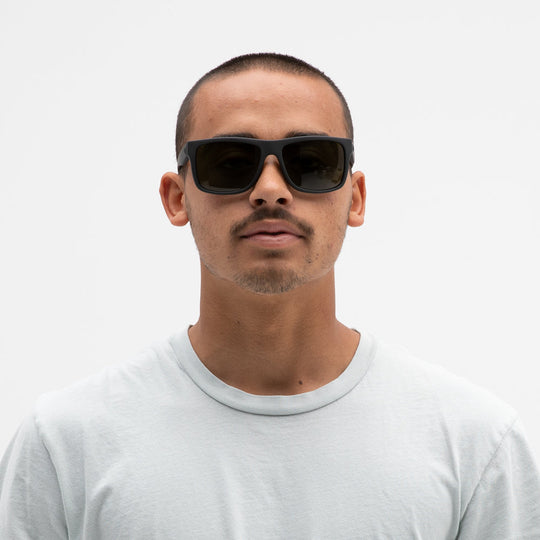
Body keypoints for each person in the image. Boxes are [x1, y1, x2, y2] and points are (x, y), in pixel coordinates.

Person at [1, 53, 539, 539]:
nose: (270, 190)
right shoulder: (67, 446)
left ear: (355, 198)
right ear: (176, 197)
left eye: (311, 160)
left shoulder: (475, 445)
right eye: (230, 162)